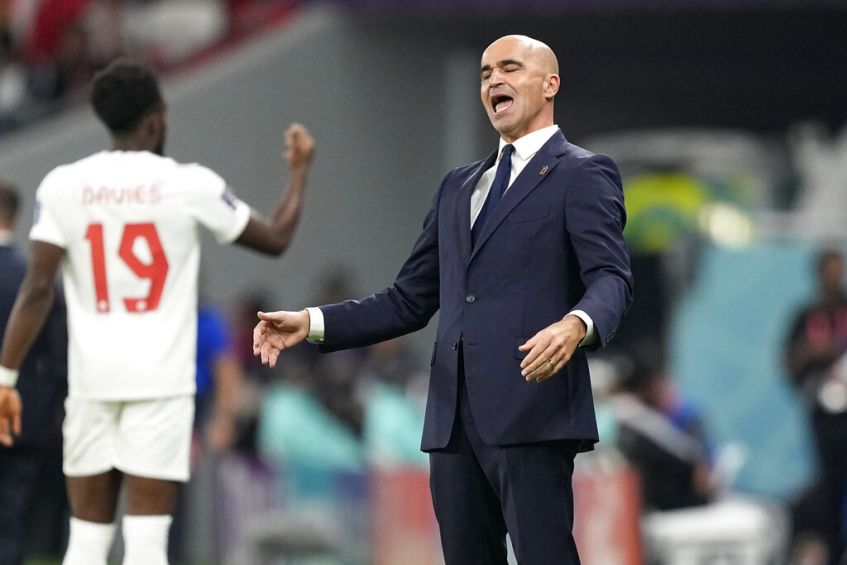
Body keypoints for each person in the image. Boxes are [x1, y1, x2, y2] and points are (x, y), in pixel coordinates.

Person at [253, 35, 632, 564]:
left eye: (510, 68)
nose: (494, 80)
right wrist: (313, 322)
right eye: (485, 73)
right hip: (452, 424)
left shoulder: (582, 173)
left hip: (532, 408)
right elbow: (409, 299)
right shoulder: (458, 186)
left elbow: (611, 276)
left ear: (550, 84)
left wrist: (576, 324)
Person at [0, 58, 315, 565]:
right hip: (160, 387)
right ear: (153, 120)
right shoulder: (189, 184)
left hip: (91, 385)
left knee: (86, 540)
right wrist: (299, 173)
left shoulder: (62, 185)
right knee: (147, 542)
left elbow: (37, 289)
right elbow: (275, 238)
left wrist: (5, 378)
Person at [0, 181, 68, 565]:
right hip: (21, 418)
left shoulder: (37, 282)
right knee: (11, 522)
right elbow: (58, 355)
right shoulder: (35, 278)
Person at [784, 247, 847, 565]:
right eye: (828, 272)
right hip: (824, 416)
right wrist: (811, 352)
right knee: (830, 488)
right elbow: (787, 365)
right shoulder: (807, 316)